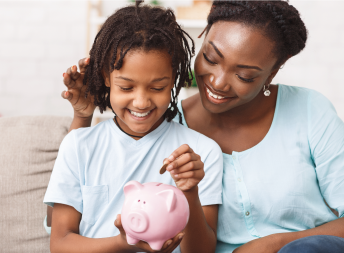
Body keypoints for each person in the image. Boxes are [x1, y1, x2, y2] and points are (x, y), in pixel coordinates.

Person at [56, 0, 344, 252]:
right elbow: (72, 208)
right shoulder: (164, 126)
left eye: (244, 75)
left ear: (274, 71)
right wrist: (83, 117)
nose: (217, 82)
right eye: (210, 57)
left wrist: (274, 244)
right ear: (203, 35)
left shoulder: (309, 111)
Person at [44, 1, 223, 253]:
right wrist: (123, 243)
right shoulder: (78, 145)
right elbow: (60, 244)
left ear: (174, 79)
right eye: (126, 87)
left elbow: (202, 252)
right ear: (106, 77)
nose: (141, 102)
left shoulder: (201, 153)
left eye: (158, 87)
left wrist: (190, 192)